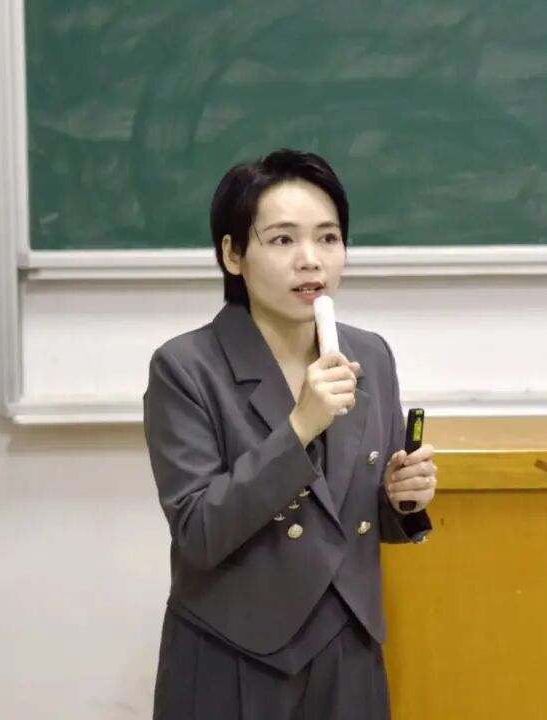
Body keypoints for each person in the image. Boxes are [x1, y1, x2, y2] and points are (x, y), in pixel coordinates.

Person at [143, 148, 437, 719]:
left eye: (328, 238)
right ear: (233, 255)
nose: (311, 260)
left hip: (349, 647)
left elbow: (350, 514)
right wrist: (300, 426)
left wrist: (402, 500)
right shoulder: (186, 368)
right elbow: (199, 532)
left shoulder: (370, 355)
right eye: (282, 240)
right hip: (234, 654)